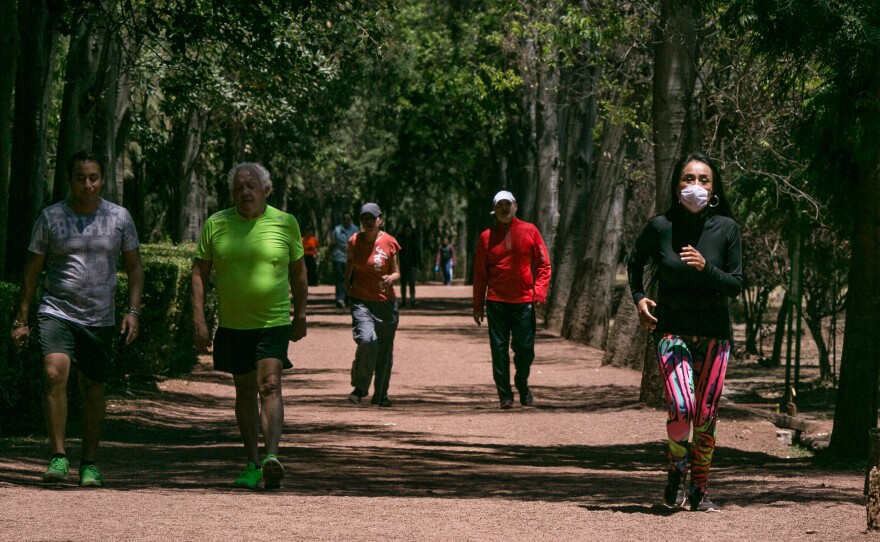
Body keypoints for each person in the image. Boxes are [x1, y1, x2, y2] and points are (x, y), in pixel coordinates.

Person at [10, 150, 144, 488]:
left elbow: (135, 268)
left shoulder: (119, 217)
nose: (87, 184)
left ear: (102, 180)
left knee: (93, 389)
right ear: (70, 180)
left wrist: (132, 311)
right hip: (57, 310)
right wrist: (22, 316)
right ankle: (57, 456)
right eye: (80, 178)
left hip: (100, 317)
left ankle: (90, 462)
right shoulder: (51, 218)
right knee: (54, 371)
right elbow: (32, 269)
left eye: (94, 178)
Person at [626, 151, 742, 512]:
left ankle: (699, 489)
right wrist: (640, 298)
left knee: (705, 414)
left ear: (714, 187)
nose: (696, 186)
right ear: (676, 187)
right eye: (688, 179)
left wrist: (706, 268)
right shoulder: (660, 226)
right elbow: (634, 261)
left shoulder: (726, 228)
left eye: (703, 180)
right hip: (672, 331)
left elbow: (736, 284)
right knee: (681, 406)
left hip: (714, 334)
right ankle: (676, 470)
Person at [192, 162, 308, 490]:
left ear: (266, 191)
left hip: (273, 322)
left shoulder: (285, 223)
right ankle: (252, 462)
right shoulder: (217, 224)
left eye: (252, 186)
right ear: (232, 194)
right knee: (244, 390)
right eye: (239, 187)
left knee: (269, 384)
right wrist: (198, 319)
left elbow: (299, 273)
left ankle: (271, 457)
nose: (245, 192)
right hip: (233, 325)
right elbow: (199, 273)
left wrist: (300, 313)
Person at [472, 190, 551, 409]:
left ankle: (521, 382)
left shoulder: (530, 230)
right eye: (500, 205)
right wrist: (477, 306)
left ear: (515, 206)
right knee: (498, 350)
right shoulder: (486, 237)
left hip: (523, 302)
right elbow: (480, 274)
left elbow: (544, 265)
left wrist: (539, 292)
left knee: (525, 348)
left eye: (508, 204)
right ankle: (505, 394)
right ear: (494, 210)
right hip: (496, 302)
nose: (504, 208)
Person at [343, 203, 400, 407]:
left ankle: (381, 394)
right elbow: (350, 263)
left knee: (385, 349)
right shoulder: (354, 241)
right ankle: (360, 387)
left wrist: (390, 278)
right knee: (368, 340)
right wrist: (346, 285)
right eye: (365, 218)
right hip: (361, 301)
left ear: (380, 220)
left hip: (386, 304)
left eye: (372, 218)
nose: (368, 221)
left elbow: (397, 271)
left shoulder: (389, 242)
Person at [330, 212, 359, 308]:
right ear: (341, 220)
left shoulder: (356, 230)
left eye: (348, 219)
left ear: (351, 220)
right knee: (339, 279)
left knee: (350, 279)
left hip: (352, 258)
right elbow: (332, 244)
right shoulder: (336, 230)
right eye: (344, 219)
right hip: (338, 257)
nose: (346, 221)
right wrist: (327, 255)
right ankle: (340, 299)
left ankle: (349, 299)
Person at [397, 223, 421, 307]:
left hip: (412, 264)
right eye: (406, 230)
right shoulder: (400, 238)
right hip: (403, 264)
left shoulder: (414, 238)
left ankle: (412, 300)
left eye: (409, 230)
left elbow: (418, 252)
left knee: (412, 282)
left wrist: (419, 264)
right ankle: (403, 300)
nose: (407, 232)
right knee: (403, 283)